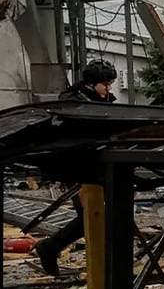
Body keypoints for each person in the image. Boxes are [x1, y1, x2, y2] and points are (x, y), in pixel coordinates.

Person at [34, 59, 119, 277]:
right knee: (92, 217)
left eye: (110, 84)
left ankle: (53, 247)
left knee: (96, 218)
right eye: (106, 84)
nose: (109, 88)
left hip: (97, 166)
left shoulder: (101, 100)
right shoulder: (73, 104)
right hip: (79, 169)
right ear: (92, 84)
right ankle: (55, 248)